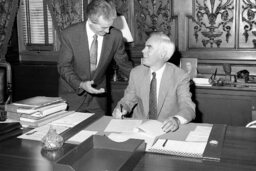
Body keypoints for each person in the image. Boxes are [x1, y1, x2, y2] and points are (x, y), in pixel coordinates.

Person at [58, 0, 133, 115]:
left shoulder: (115, 36)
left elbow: (124, 64)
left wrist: (142, 80)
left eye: (110, 26)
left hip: (98, 99)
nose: (108, 31)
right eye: (103, 27)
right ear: (91, 21)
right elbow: (64, 66)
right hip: (72, 97)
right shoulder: (69, 34)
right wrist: (81, 84)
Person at [112, 32, 195, 133]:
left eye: (149, 47)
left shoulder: (180, 76)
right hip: (139, 128)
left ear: (162, 54)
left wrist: (176, 120)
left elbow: (188, 108)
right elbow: (127, 101)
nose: (143, 51)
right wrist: (121, 109)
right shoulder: (136, 72)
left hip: (165, 129)